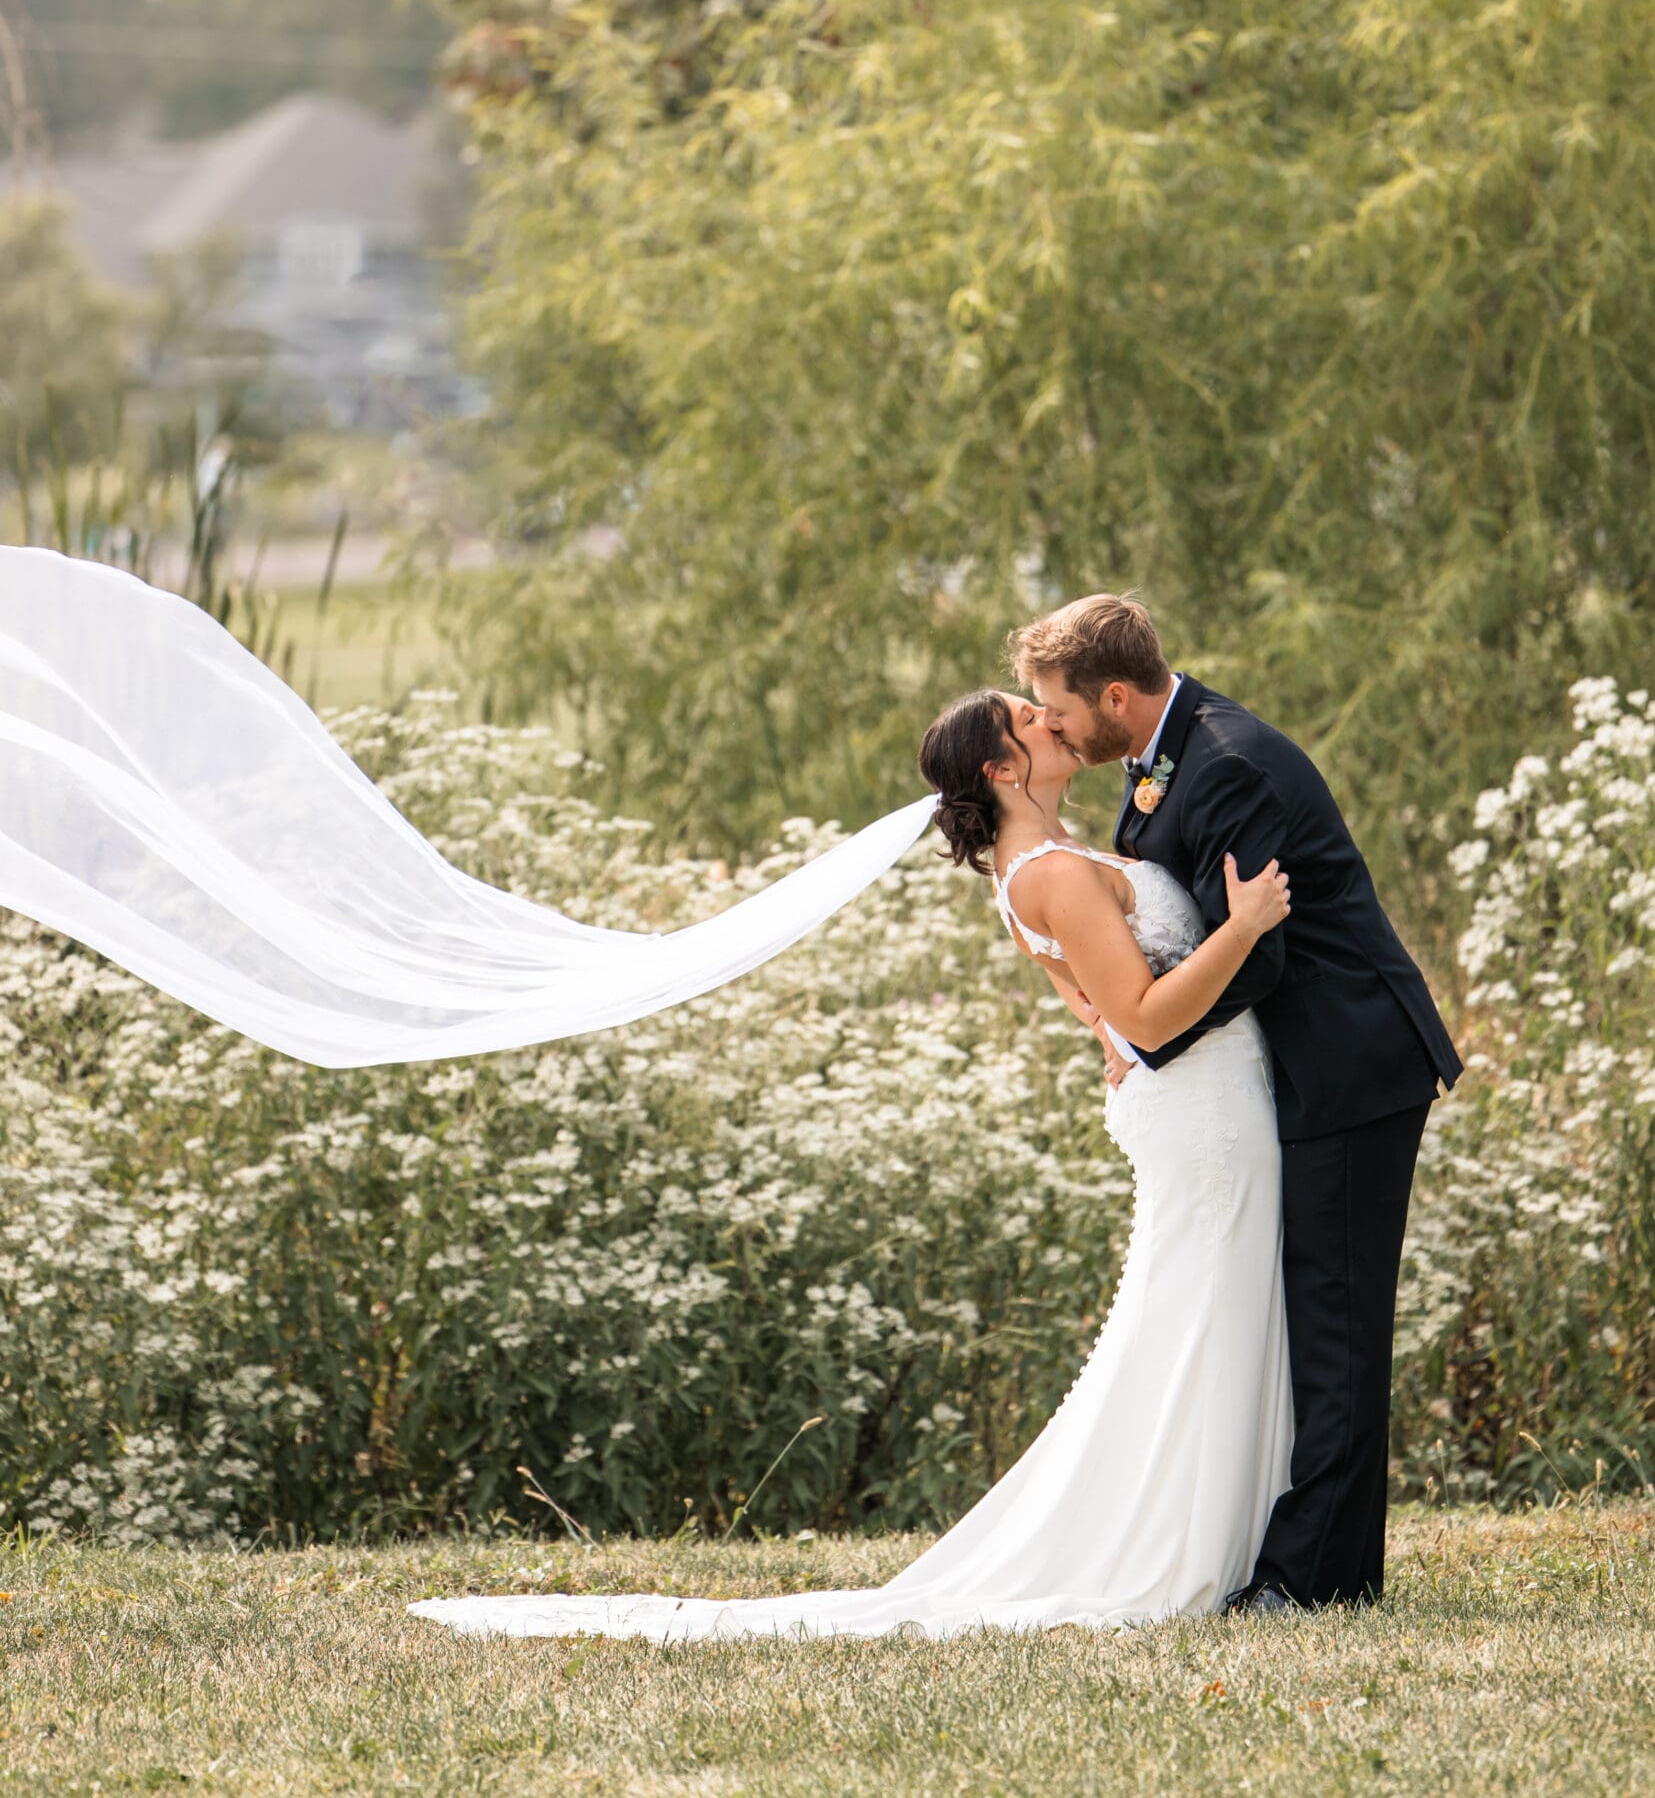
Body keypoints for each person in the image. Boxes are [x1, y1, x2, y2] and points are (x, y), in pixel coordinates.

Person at [412, 686, 1294, 1643]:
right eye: (1028, 720)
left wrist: (1111, 1039)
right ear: (1002, 769)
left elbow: (1094, 1010)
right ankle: (1194, 1541)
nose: (1051, 720)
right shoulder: (1051, 874)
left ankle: (1227, 1528)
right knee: (1205, 1309)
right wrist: (1241, 929)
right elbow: (1144, 1015)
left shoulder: (1036, 866)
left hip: (1199, 1102)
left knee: (1202, 1310)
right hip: (1202, 1113)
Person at [1011, 593, 1463, 1612]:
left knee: (1337, 1327)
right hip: (1289, 1072)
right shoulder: (1167, 756)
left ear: (1116, 695)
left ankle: (1311, 1583)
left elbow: (1259, 958)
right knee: (1316, 1321)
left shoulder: (1230, 766)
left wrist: (1142, 1031)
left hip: (1350, 1064)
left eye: (1060, 709)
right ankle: (1328, 1569)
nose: (1054, 727)